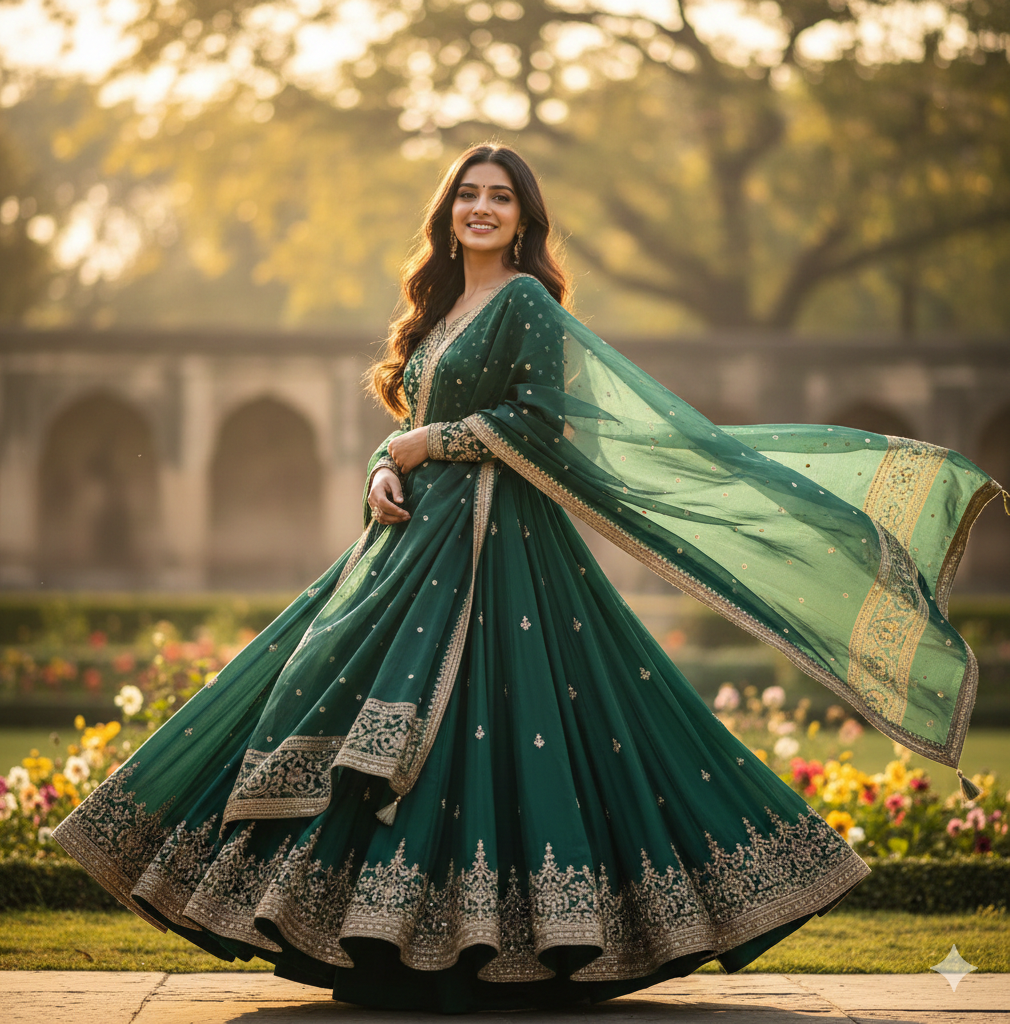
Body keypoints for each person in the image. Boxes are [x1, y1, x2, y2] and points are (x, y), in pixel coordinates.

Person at [54, 144, 1002, 1013]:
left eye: (500, 198)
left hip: (497, 548)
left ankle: (501, 947)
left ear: (524, 219)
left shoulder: (526, 305)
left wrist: (434, 441)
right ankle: (372, 946)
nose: (481, 208)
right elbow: (409, 424)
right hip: (410, 542)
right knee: (312, 684)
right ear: (446, 212)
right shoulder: (436, 311)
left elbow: (544, 422)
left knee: (518, 728)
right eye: (467, 194)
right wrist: (390, 460)